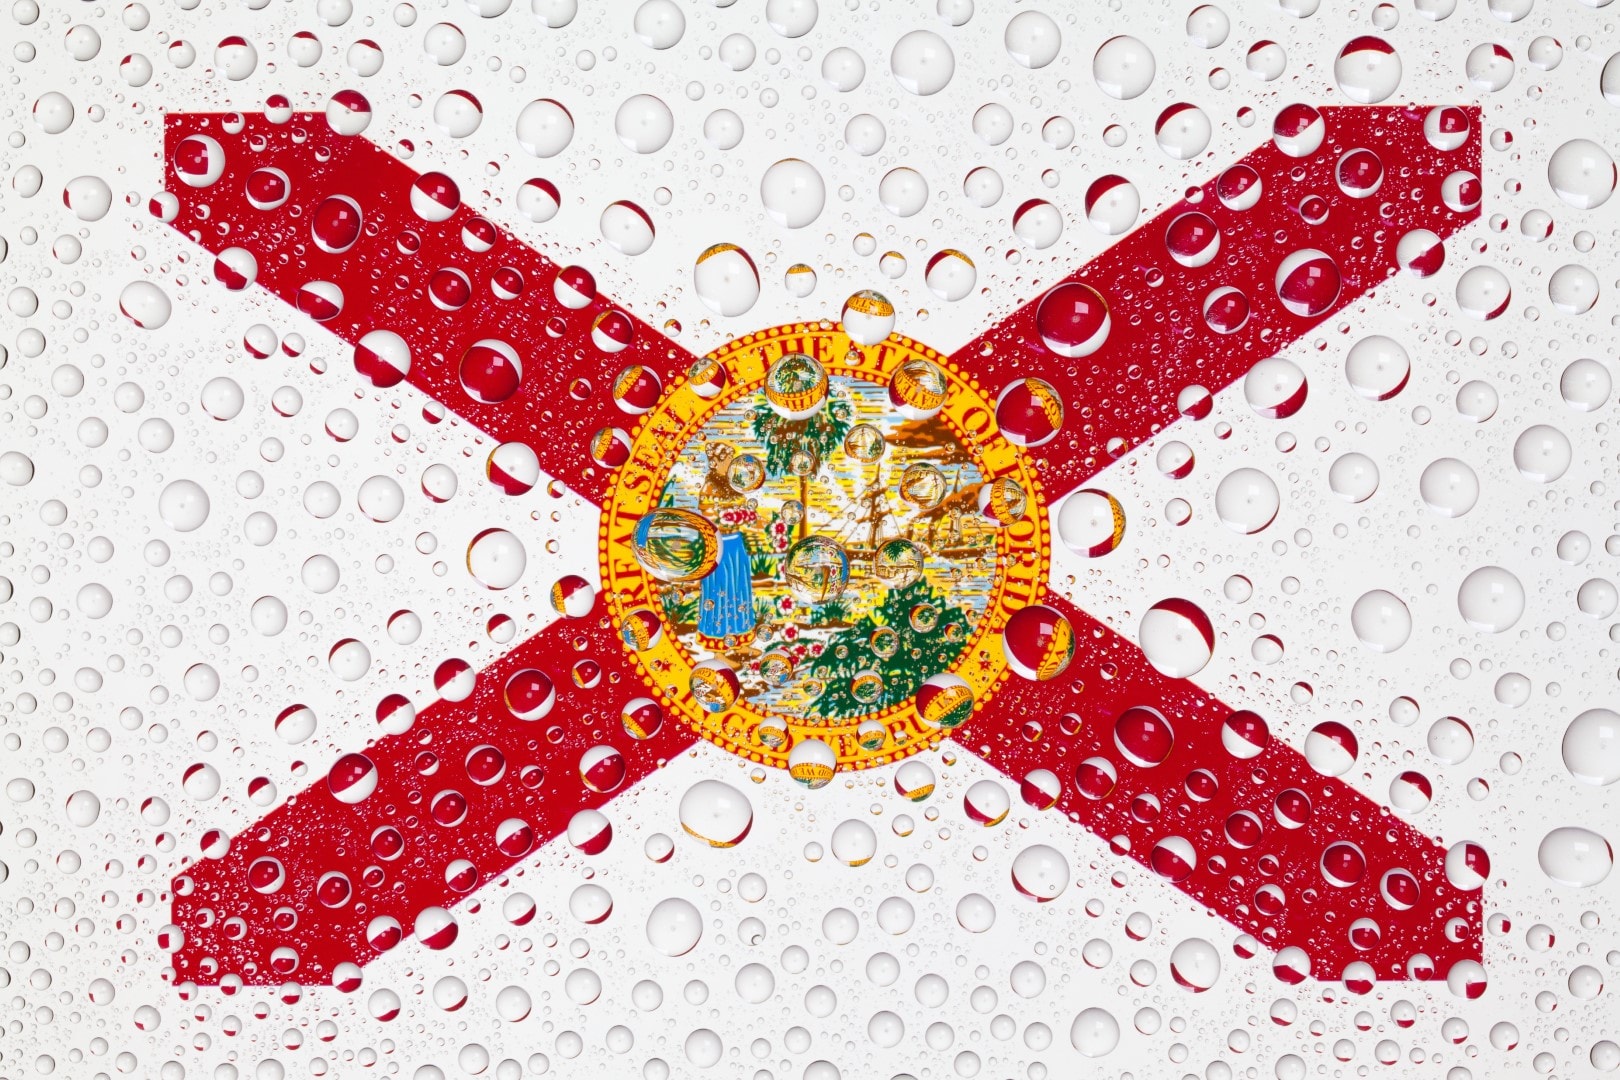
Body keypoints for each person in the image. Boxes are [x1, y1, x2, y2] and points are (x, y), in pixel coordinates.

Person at [696, 442, 756, 653]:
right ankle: (719, 650)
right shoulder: (709, 487)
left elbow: (744, 510)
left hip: (736, 544)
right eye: (727, 460)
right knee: (720, 591)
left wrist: (749, 517)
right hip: (720, 547)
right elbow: (711, 519)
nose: (731, 464)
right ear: (716, 462)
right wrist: (735, 517)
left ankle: (740, 642)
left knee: (739, 590)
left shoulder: (732, 484)